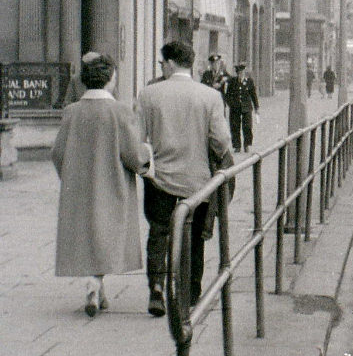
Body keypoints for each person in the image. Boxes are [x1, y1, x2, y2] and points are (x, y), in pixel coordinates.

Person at [137, 40, 234, 314]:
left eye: (162, 64)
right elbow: (222, 141)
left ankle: (157, 287)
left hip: (160, 180)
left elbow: (137, 141)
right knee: (194, 238)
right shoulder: (210, 97)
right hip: (198, 182)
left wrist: (146, 167)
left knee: (159, 232)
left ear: (169, 63)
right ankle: (191, 291)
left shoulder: (148, 94)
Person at [51, 54, 151, 316]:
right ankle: (94, 283)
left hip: (80, 188)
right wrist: (146, 159)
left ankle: (97, 288)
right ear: (110, 79)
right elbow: (132, 153)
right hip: (112, 184)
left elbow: (58, 152)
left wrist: (69, 177)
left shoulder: (72, 112)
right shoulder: (120, 111)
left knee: (89, 237)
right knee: (108, 237)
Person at [224, 63, 260, 152]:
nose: (241, 74)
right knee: (235, 126)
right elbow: (228, 95)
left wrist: (256, 107)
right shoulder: (232, 81)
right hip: (235, 108)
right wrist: (231, 104)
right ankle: (237, 146)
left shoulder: (249, 81)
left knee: (247, 126)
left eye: (243, 72)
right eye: (240, 72)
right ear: (237, 73)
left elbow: (253, 95)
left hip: (246, 107)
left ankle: (247, 144)